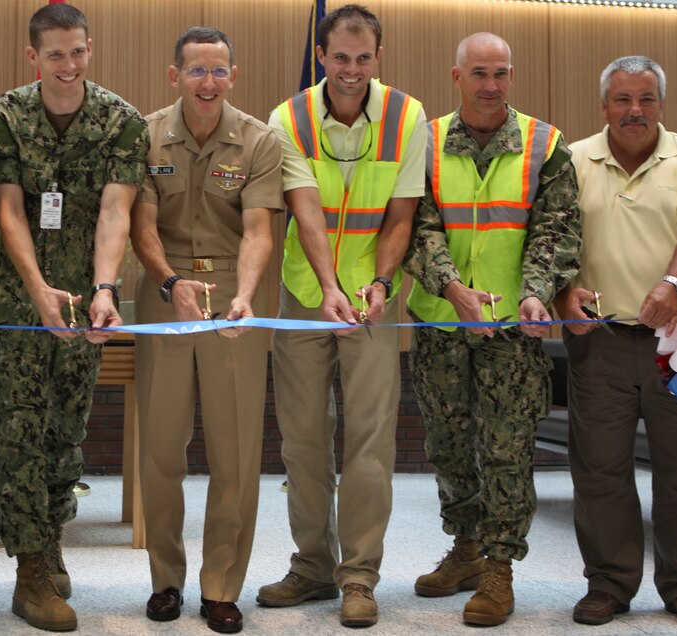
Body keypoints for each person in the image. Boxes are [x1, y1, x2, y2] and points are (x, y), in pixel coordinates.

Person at [256, 4, 426, 628]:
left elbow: (401, 217)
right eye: (339, 58)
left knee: (371, 441)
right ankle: (311, 565)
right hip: (305, 294)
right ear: (321, 56)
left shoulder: (409, 118)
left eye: (363, 58)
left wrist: (379, 283)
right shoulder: (289, 117)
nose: (351, 71)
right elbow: (304, 212)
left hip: (376, 303)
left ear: (377, 58)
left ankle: (359, 576)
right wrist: (329, 287)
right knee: (302, 438)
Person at [403, 33, 581, 627]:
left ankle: (500, 569)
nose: (491, 84)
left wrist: (534, 294)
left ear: (512, 74)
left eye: (501, 73)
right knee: (448, 447)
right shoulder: (422, 141)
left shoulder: (544, 143)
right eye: (479, 73)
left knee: (506, 452)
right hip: (440, 325)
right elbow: (414, 228)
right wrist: (453, 288)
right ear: (457, 77)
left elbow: (556, 230)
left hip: (513, 331)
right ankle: (465, 549)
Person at [0, 3, 148, 631]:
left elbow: (115, 212)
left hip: (85, 307)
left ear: (89, 47)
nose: (69, 65)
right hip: (19, 305)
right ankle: (29, 571)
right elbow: (9, 212)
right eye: (55, 54)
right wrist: (37, 287)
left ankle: (48, 538)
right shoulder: (3, 117)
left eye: (77, 52)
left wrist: (104, 288)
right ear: (34, 57)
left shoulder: (121, 122)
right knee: (19, 430)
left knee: (66, 429)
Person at [555, 55, 677, 629]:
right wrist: (562, 296)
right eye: (623, 99)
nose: (635, 110)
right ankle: (608, 584)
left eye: (646, 99)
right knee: (599, 469)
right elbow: (550, 240)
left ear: (661, 104)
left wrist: (675, 283)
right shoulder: (573, 160)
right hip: (600, 341)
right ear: (603, 105)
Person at [130, 26, 283, 635]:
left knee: (236, 451)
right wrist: (170, 283)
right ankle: (165, 579)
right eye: (196, 71)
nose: (208, 82)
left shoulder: (258, 139)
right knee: (161, 449)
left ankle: (222, 586)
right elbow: (142, 224)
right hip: (165, 294)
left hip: (232, 299)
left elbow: (258, 231)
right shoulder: (145, 135)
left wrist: (244, 296)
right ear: (175, 76)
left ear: (233, 75)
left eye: (219, 71)